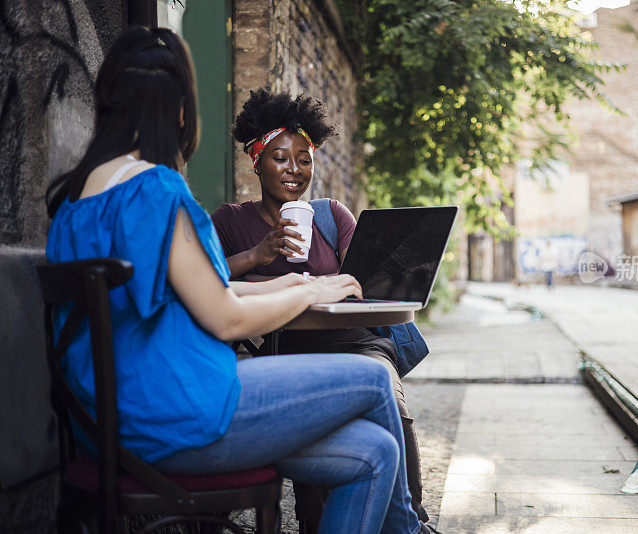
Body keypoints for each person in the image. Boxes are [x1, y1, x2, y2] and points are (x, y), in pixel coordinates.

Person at [44, 25, 430, 534]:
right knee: (378, 376)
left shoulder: (76, 200)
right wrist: (314, 288)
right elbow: (225, 317)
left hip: (112, 421)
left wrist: (287, 285)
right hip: (180, 414)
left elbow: (197, 292)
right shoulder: (157, 189)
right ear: (180, 110)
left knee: (377, 451)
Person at [211, 89, 431, 532]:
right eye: (280, 157)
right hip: (283, 348)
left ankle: (414, 520)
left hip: (355, 343)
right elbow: (208, 279)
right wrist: (257, 256)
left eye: (304, 159)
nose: (294, 169)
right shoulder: (231, 221)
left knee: (385, 386)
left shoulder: (331, 215)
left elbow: (361, 285)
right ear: (256, 161)